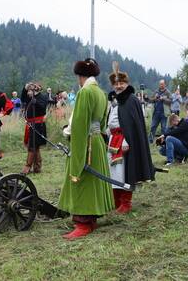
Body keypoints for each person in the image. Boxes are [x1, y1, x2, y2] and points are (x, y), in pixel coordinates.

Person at [58, 58, 114, 239]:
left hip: (86, 143)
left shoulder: (85, 92)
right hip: (97, 142)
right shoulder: (101, 93)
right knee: (94, 182)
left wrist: (73, 143)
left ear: (79, 76)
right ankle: (92, 220)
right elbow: (103, 122)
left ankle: (83, 223)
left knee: (81, 179)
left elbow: (80, 125)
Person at [106, 62, 155, 214]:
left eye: (121, 83)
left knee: (125, 171)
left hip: (125, 141)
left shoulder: (131, 100)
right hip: (113, 139)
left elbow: (133, 125)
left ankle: (126, 203)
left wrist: (127, 140)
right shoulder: (115, 100)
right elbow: (113, 119)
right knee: (113, 171)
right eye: (116, 83)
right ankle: (116, 201)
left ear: (127, 84)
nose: (118, 86)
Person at [20, 82, 48, 174]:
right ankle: (37, 167)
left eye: (31, 90)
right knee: (34, 146)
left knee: (33, 145)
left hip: (38, 124)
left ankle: (28, 166)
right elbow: (22, 97)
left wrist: (36, 102)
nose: (28, 92)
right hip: (30, 124)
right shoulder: (29, 97)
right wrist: (25, 87)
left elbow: (42, 108)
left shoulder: (43, 97)